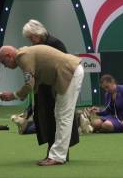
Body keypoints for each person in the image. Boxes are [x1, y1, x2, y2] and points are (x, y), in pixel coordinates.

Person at [0, 45, 84, 166]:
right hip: (70, 71)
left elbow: (29, 85)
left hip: (69, 72)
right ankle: (58, 155)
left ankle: (58, 157)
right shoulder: (26, 54)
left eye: (3, 62)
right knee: (60, 115)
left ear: (9, 56)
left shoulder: (22, 57)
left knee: (63, 116)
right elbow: (34, 84)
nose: (5, 66)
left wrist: (12, 96)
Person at [20, 19, 80, 162]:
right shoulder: (37, 46)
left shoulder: (55, 44)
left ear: (37, 33)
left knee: (58, 119)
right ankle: (53, 150)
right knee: (45, 120)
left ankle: (59, 153)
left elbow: (64, 69)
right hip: (43, 90)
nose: (30, 40)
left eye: (31, 37)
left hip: (55, 89)